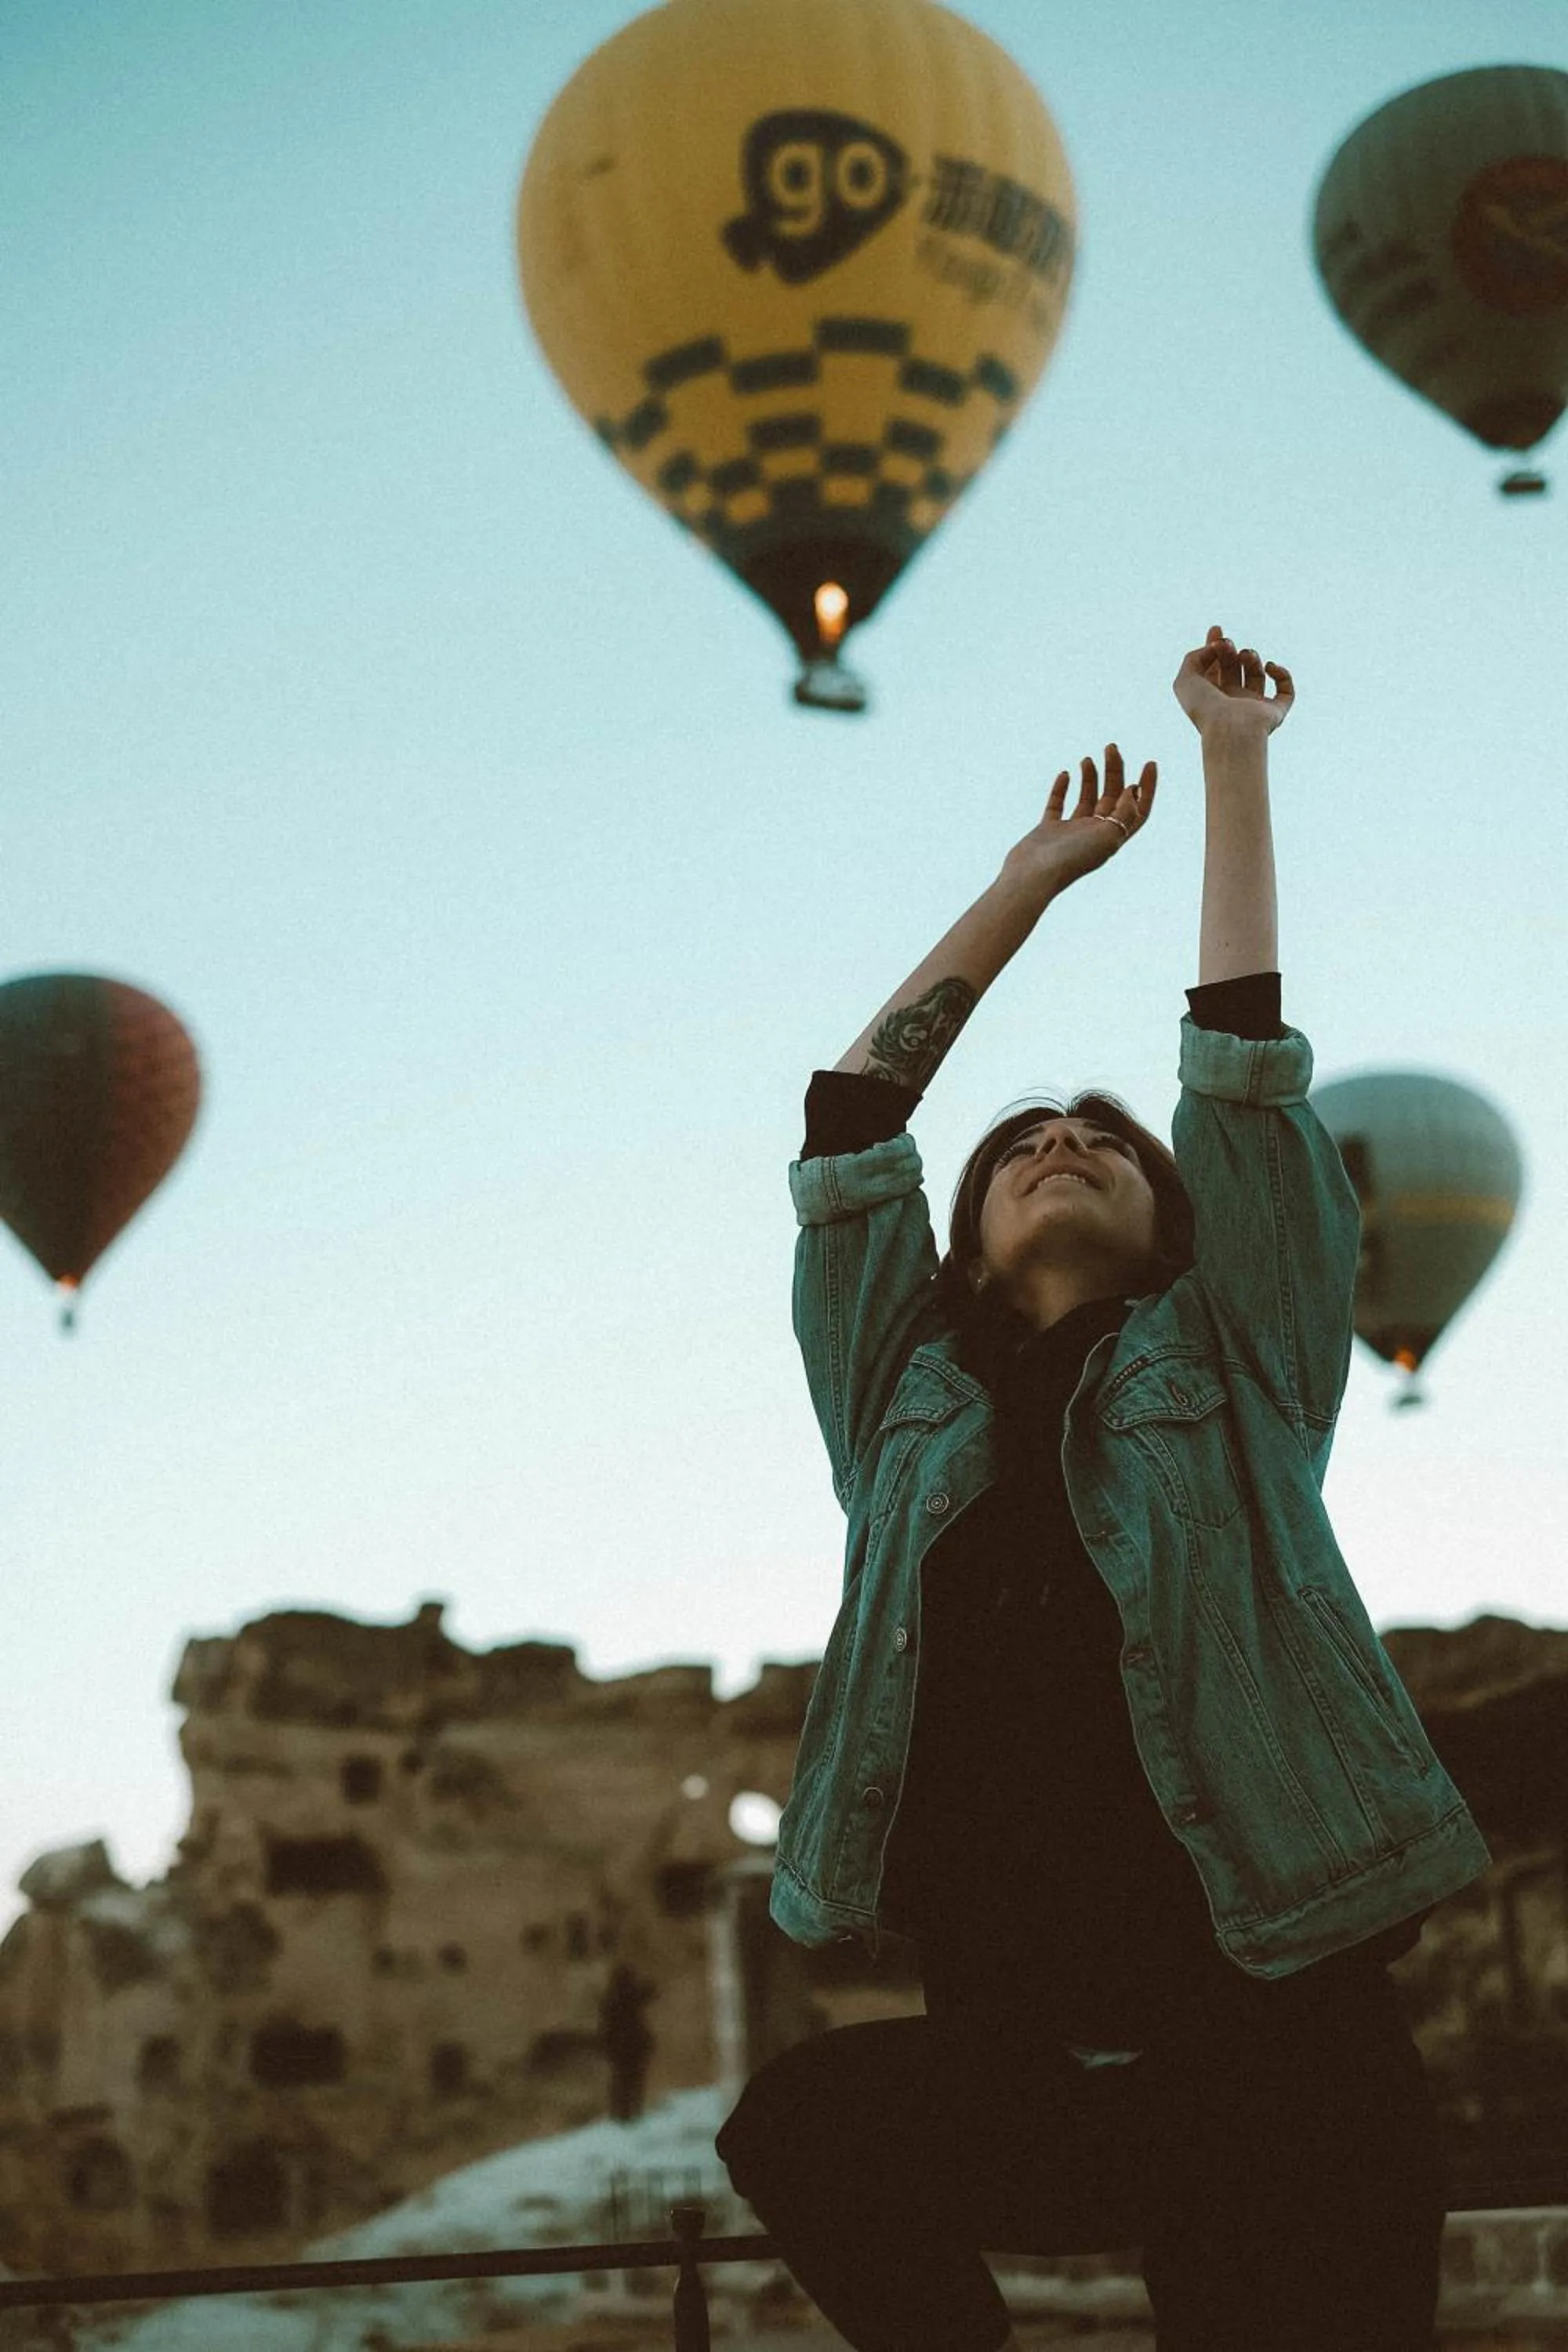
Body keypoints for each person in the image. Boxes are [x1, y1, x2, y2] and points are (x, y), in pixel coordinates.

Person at [714, 628, 1493, 2351]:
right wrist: (1027, 884)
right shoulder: (900, 1406)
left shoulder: (1240, 1360)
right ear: (966, 1241)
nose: (1058, 1144)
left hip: (1278, 2031)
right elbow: (847, 1131)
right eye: (1017, 1151)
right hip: (1030, 2046)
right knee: (804, 2129)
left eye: (1101, 1145)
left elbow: (1240, 1067)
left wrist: (1231, 763)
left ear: (1172, 1222)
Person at [599, 1961, 657, 2123]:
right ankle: (631, 2112)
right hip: (633, 2047)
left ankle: (622, 2113)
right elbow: (649, 1992)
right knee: (633, 2081)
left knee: (622, 2081)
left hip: (621, 2048)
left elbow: (605, 2028)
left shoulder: (610, 2000)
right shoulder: (628, 1997)